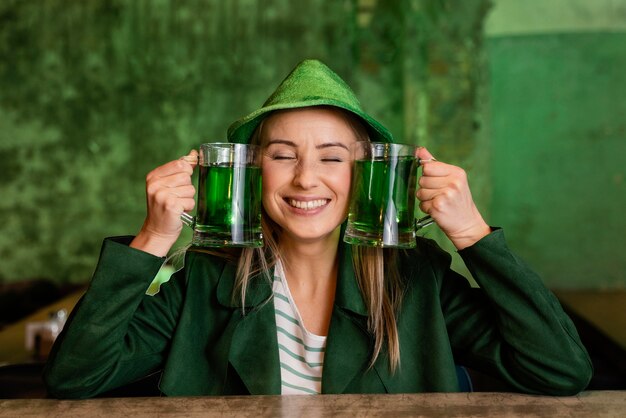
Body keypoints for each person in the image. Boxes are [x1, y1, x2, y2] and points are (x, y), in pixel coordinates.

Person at [43, 59, 592, 398]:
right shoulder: (207, 279)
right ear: (254, 174)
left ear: (365, 176)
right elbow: (75, 379)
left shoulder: (415, 278)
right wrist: (153, 240)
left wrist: (471, 232)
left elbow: (560, 370)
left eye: (332, 158)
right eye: (283, 156)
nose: (307, 179)